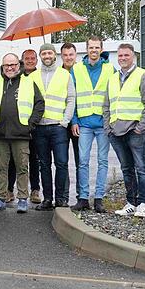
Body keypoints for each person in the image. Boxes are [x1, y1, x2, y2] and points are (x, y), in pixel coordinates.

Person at [0, 53, 44, 214]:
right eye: (7, 65)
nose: (10, 68)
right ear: (2, 67)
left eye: (13, 65)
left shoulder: (28, 82)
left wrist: (30, 124)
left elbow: (39, 104)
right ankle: (0, 198)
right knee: (0, 168)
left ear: (18, 65)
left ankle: (23, 199)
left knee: (22, 168)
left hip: (21, 134)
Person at [104, 43, 145, 218]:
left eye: (126, 55)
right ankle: (131, 203)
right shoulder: (112, 78)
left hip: (135, 131)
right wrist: (108, 128)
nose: (123, 58)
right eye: (120, 56)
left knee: (141, 167)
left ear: (133, 56)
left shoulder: (143, 76)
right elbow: (107, 105)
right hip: (116, 132)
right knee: (126, 169)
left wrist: (141, 128)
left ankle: (143, 203)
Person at [70, 37, 115, 212]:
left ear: (101, 49)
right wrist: (74, 120)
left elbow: (114, 95)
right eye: (91, 47)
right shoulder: (77, 69)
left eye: (97, 47)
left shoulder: (110, 69)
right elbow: (72, 96)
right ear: (86, 49)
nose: (94, 50)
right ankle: (83, 198)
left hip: (103, 123)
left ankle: (98, 198)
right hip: (84, 123)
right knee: (82, 161)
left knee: (103, 161)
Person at [29, 44, 75, 210]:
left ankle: (61, 198)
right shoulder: (32, 76)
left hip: (58, 127)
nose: (47, 56)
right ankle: (47, 199)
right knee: (44, 164)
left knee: (62, 163)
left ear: (54, 55)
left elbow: (71, 99)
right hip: (40, 128)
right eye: (44, 53)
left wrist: (65, 121)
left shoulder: (65, 75)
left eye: (49, 53)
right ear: (40, 56)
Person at [9, 48, 42, 204]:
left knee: (34, 160)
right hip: (16, 127)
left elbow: (39, 101)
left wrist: (32, 123)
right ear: (22, 60)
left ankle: (35, 190)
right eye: (27, 58)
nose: (30, 60)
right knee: (14, 160)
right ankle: (10, 190)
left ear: (36, 60)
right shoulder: (17, 76)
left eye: (32, 58)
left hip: (32, 126)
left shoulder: (39, 77)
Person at [60, 43, 82, 200]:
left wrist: (75, 119)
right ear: (61, 56)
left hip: (78, 123)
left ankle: (82, 195)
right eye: (65, 55)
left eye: (71, 55)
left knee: (81, 160)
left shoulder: (81, 72)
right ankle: (64, 195)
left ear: (76, 56)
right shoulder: (57, 73)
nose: (68, 58)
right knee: (62, 161)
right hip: (61, 122)